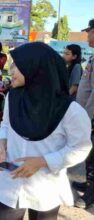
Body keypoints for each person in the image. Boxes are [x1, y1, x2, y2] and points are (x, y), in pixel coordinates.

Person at [0, 42, 92, 220]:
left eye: (17, 66)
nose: (11, 70)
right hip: (11, 183)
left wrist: (43, 161)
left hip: (44, 188)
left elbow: (80, 148)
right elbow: (6, 124)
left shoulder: (70, 110)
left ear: (35, 68)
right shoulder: (13, 97)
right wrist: (1, 144)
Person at [73, 18, 94, 209]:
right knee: (89, 155)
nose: (88, 35)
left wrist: (88, 119)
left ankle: (90, 194)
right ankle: (88, 184)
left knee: (93, 156)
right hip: (89, 116)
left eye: (90, 31)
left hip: (93, 117)